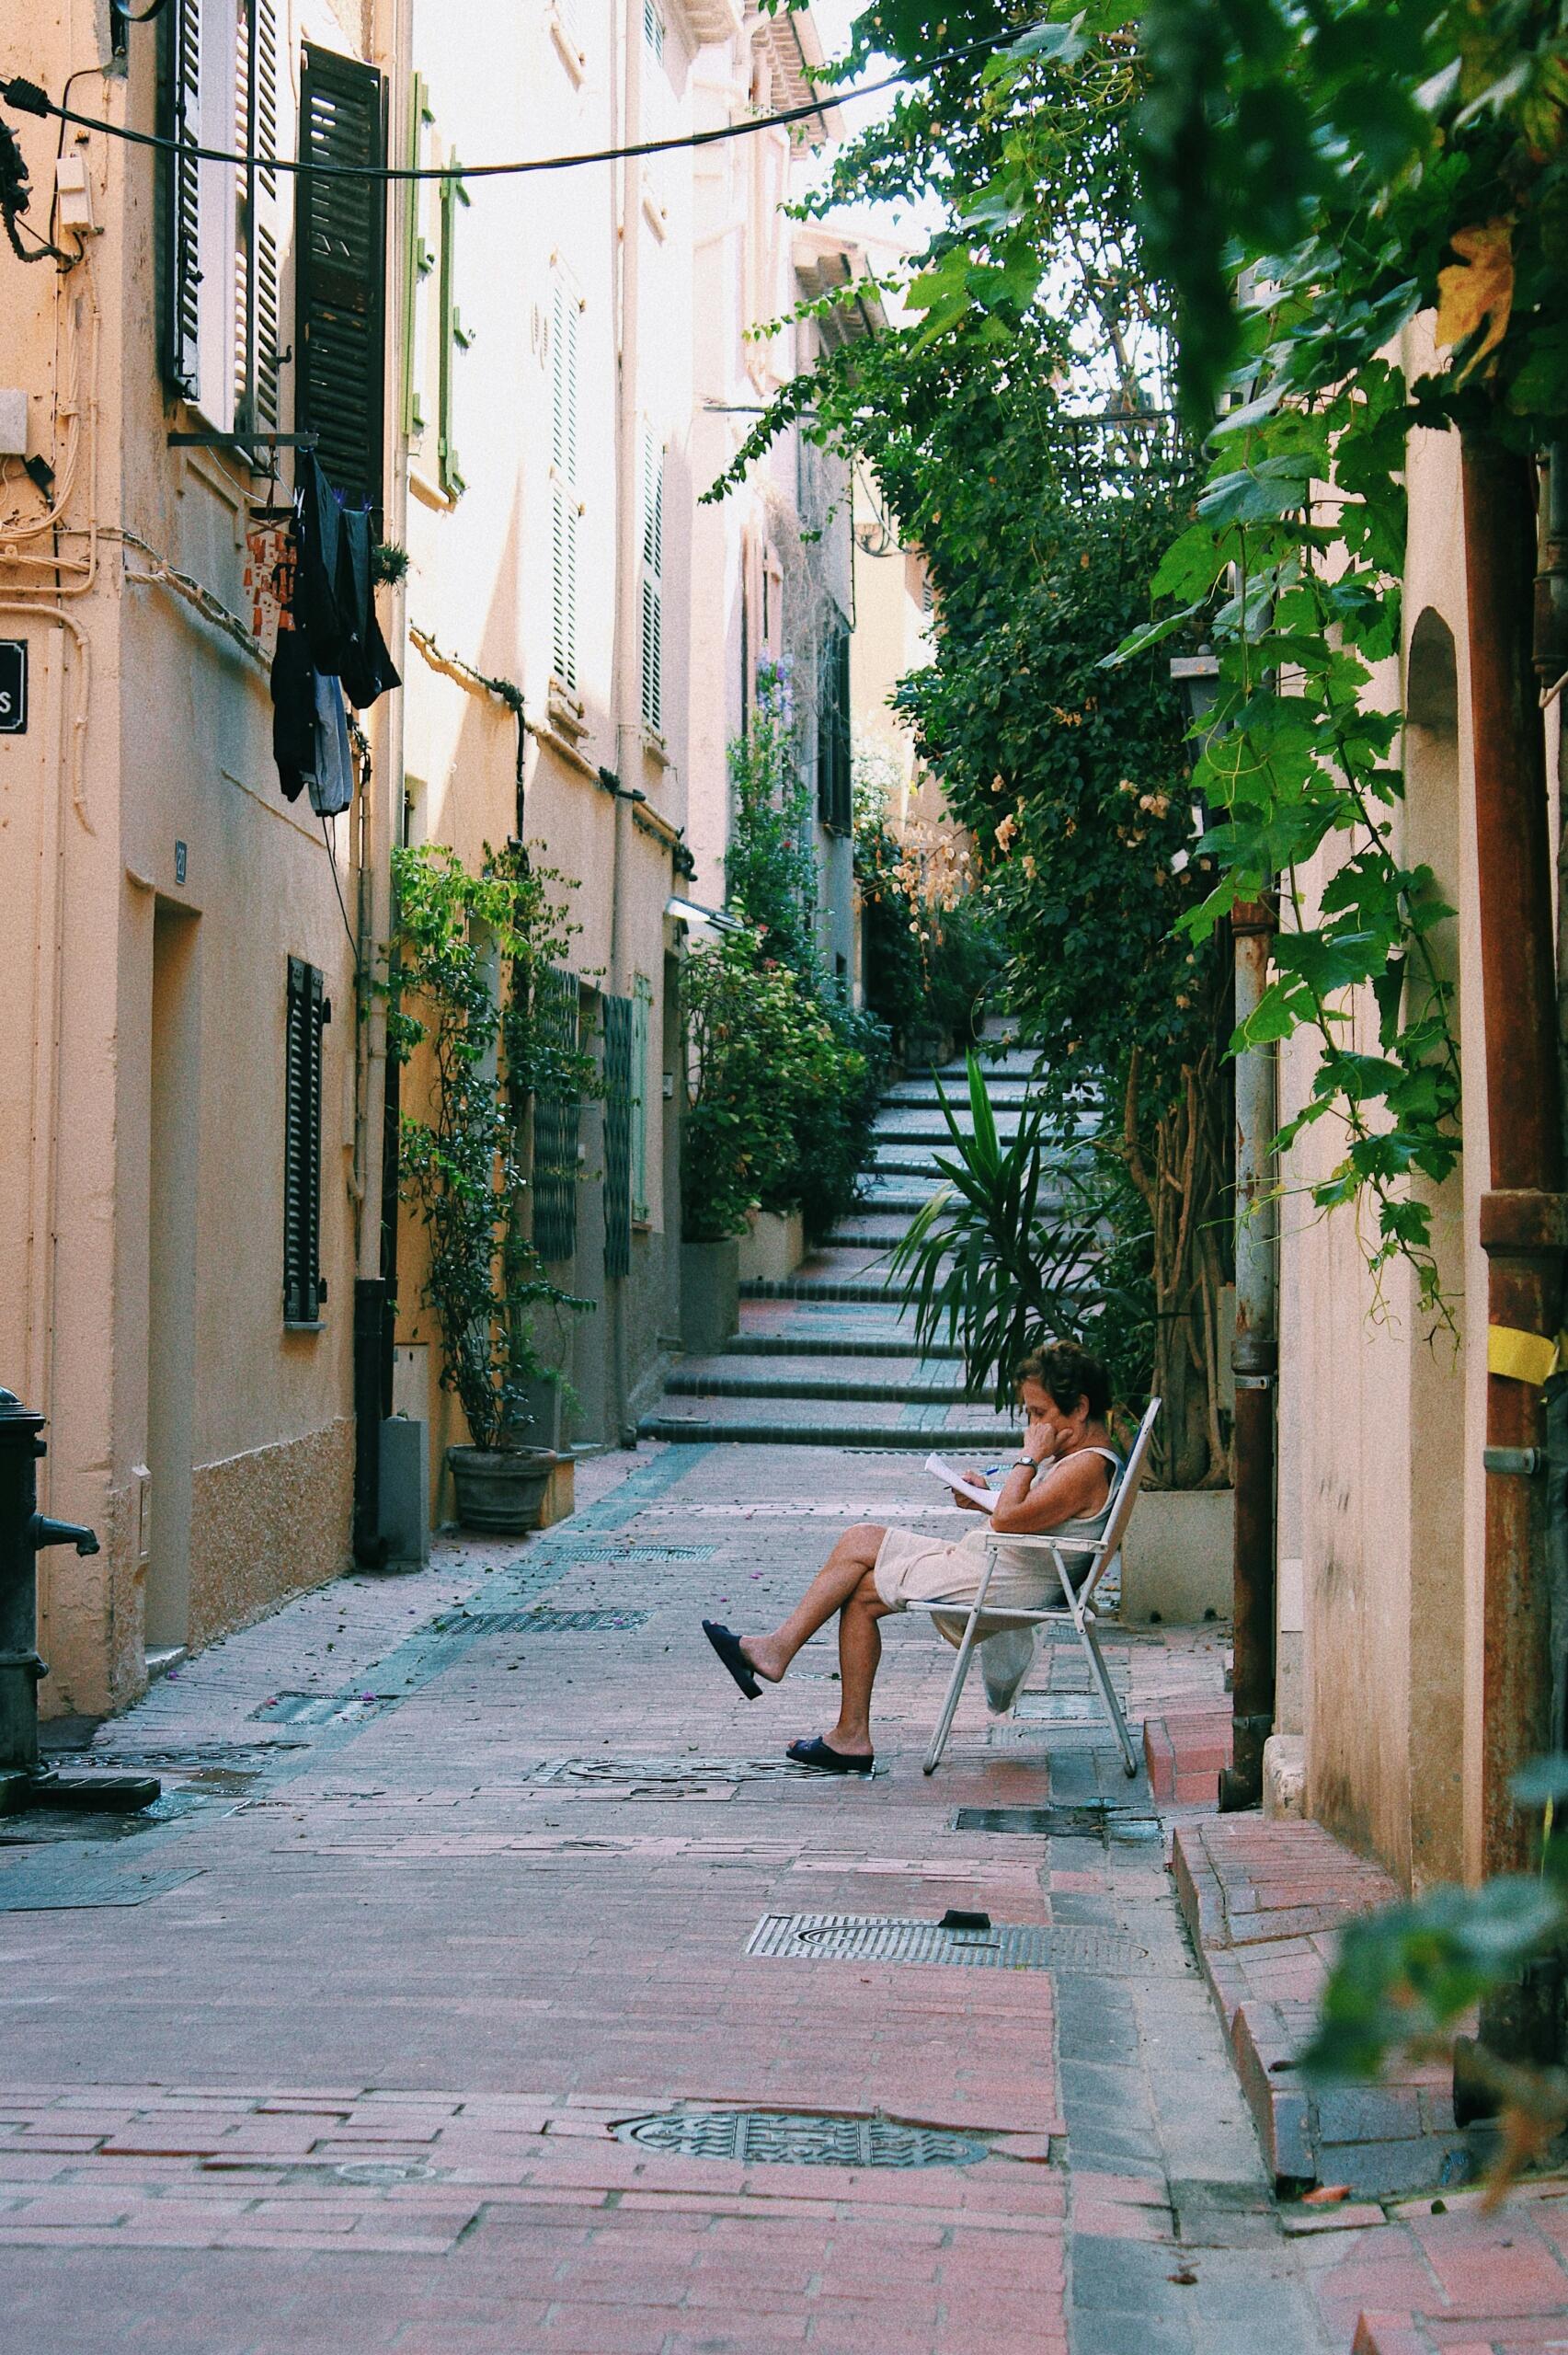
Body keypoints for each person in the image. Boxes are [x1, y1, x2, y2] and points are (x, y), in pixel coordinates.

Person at [702, 1338, 1123, 1774]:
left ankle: (830, 1713)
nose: (1033, 1425)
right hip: (999, 1564)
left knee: (863, 1590)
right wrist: (982, 1497)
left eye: (1039, 1413)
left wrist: (1028, 1459)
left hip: (1001, 1579)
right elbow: (1028, 1515)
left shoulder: (1084, 1468)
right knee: (860, 1539)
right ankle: (798, 1677)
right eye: (1030, 1414)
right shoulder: (1083, 1460)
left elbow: (1011, 1520)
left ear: (1079, 1408)